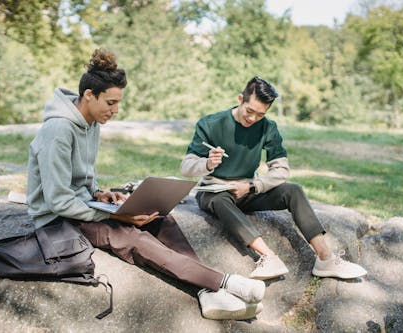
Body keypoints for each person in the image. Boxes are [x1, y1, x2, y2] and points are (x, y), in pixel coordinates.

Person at [26, 49, 266, 320]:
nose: (115, 111)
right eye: (110, 102)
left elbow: (80, 177)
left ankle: (206, 291)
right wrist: (117, 215)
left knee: (159, 217)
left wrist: (99, 193)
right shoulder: (58, 131)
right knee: (131, 236)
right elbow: (58, 201)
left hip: (81, 205)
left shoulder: (91, 123)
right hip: (57, 219)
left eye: (118, 103)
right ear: (89, 95)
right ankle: (224, 283)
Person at [180, 76, 367, 280]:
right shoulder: (211, 124)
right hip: (215, 192)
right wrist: (207, 164)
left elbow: (281, 170)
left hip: (248, 190)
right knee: (220, 200)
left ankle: (325, 258)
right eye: (249, 111)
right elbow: (186, 167)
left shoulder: (268, 127)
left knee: (293, 190)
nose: (252, 119)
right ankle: (268, 257)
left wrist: (253, 186)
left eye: (260, 115)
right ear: (240, 98)